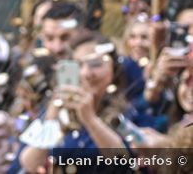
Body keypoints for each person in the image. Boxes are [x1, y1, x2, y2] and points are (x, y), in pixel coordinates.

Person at [14, 33, 156, 173]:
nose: (86, 73)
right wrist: (52, 118)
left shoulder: (130, 111)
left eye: (95, 64)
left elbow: (122, 160)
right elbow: (30, 164)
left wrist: (90, 118)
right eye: (78, 65)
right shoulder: (57, 111)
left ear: (113, 69)